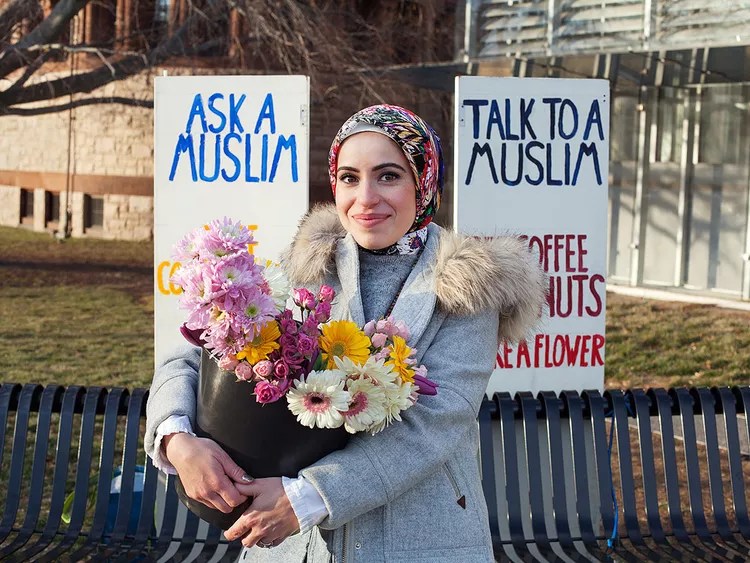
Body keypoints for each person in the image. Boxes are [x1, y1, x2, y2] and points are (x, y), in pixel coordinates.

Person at [145, 104, 546, 562]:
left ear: (424, 181)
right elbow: (191, 355)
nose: (366, 198)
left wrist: (306, 498)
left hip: (417, 536)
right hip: (289, 546)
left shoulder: (470, 284)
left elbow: (433, 423)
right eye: (350, 177)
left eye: (389, 176)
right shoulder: (306, 266)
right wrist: (177, 442)